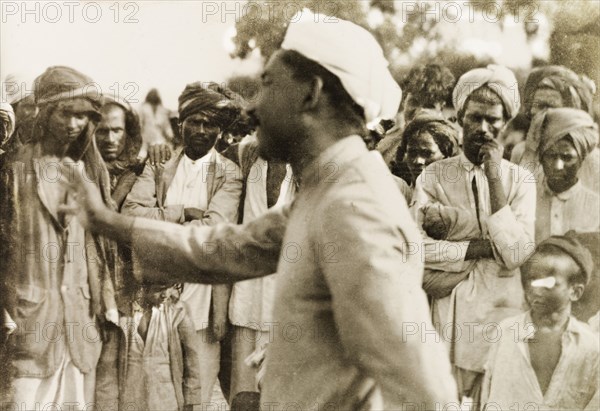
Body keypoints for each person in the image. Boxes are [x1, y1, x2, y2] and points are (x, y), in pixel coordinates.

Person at [60, 8, 458, 410]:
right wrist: (107, 222)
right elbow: (226, 249)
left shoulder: (354, 206)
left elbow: (424, 385)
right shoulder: (329, 187)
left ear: (311, 93)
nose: (250, 108)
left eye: (267, 84)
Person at [411, 64, 536, 405]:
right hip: (449, 314)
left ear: (505, 122)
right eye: (474, 117)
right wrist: (478, 248)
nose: (483, 128)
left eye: (493, 120)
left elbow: (515, 253)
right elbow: (414, 248)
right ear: (460, 117)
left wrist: (495, 176)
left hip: (502, 312)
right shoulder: (433, 177)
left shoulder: (520, 181)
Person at [0, 66, 117, 409]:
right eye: (67, 113)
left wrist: (105, 302)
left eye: (83, 116)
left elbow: (98, 248)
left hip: (79, 325)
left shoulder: (86, 171)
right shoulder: (12, 171)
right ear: (47, 111)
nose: (74, 124)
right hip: (28, 324)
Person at [122, 81, 243, 406]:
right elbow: (133, 213)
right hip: (156, 297)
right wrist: (182, 212)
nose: (202, 130)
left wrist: (159, 223)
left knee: (196, 394)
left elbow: (214, 229)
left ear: (220, 131)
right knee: (156, 392)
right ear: (181, 124)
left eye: (211, 124)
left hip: (202, 301)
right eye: (195, 121)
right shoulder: (159, 165)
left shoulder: (229, 174)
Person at [481, 234, 599, 410]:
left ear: (575, 292)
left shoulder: (591, 348)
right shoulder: (506, 333)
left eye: (548, 282)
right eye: (532, 279)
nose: (535, 289)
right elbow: (489, 397)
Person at [223, 133, 296, 402]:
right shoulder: (245, 157)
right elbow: (199, 157)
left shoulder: (307, 166)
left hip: (287, 299)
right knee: (243, 393)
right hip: (247, 293)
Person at [105, 283, 201, 411]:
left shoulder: (178, 311)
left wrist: (189, 401)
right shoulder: (120, 314)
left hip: (167, 402)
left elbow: (192, 361)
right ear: (141, 286)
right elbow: (108, 371)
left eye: (169, 287)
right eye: (159, 289)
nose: (165, 294)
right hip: (130, 401)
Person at [511, 65, 599, 194]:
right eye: (536, 106)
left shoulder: (593, 160)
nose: (539, 114)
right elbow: (515, 203)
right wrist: (529, 153)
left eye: (548, 107)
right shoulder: (520, 153)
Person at [530, 108, 599, 242]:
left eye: (567, 157)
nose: (557, 166)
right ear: (541, 158)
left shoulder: (596, 206)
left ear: (581, 160)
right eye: (550, 156)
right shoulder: (526, 200)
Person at [377, 63, 456, 167]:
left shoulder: (450, 147)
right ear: (404, 101)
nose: (419, 111)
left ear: (441, 108)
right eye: (414, 102)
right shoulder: (385, 144)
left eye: (429, 106)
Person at [390, 110, 460, 197]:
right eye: (412, 152)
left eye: (427, 153)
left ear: (446, 156)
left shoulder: (456, 197)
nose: (418, 161)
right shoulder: (398, 194)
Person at [138, 88, 175, 159]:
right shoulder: (143, 108)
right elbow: (139, 124)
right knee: (141, 157)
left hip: (159, 140)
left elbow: (166, 126)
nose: (153, 96)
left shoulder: (162, 110)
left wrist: (171, 136)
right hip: (146, 140)